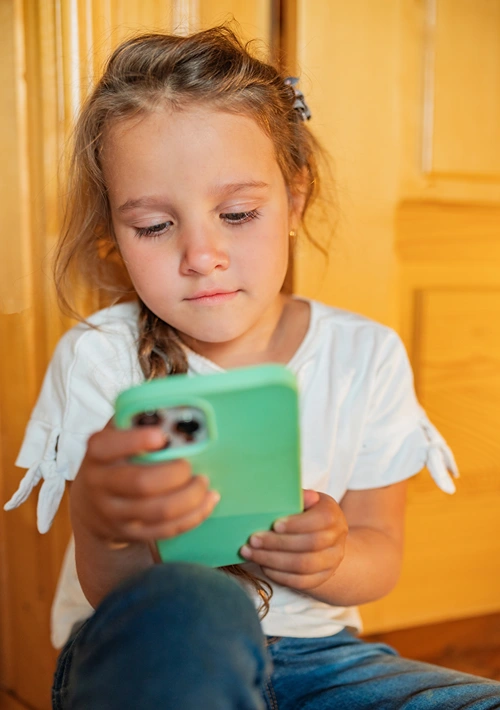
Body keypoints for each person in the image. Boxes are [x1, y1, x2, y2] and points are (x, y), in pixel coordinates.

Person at [4, 25, 500, 710]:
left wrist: (333, 559)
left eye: (237, 213)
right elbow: (115, 592)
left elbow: (380, 553)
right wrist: (102, 523)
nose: (201, 254)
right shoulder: (99, 357)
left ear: (294, 201)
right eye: (153, 226)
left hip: (322, 663)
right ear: (114, 236)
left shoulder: (366, 354)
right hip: (155, 657)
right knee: (194, 599)